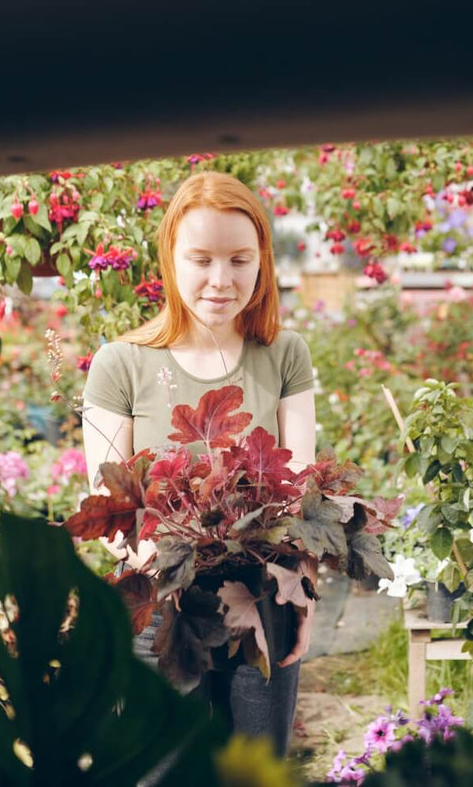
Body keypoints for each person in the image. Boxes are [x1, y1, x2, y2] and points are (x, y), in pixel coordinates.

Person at [80, 171, 316, 756]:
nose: (221, 279)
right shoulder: (121, 363)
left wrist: (303, 589)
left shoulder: (284, 353)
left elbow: (299, 494)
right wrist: (174, 560)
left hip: (261, 599)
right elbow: (114, 509)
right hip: (163, 603)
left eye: (239, 259)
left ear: (261, 260)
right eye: (201, 259)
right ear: (171, 257)